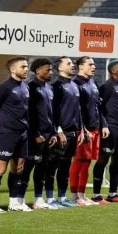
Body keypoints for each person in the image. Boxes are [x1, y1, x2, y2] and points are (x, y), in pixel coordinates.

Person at [0, 56, 31, 213]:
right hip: (7, 133)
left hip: (22, 134)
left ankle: (13, 203)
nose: (27, 69)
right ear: (13, 70)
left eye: (27, 66)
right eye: (23, 67)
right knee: (1, 169)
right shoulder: (4, 87)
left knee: (18, 168)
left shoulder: (25, 88)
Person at [91, 60, 118, 203]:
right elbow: (100, 108)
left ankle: (113, 194)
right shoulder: (107, 86)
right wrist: (104, 125)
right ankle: (96, 195)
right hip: (111, 128)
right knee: (103, 159)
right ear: (114, 71)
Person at [46, 56, 83, 209]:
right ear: (60, 68)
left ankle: (62, 196)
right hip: (61, 132)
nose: (72, 65)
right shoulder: (56, 86)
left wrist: (80, 130)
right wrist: (58, 130)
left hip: (73, 132)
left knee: (65, 166)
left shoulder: (74, 85)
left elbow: (77, 110)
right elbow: (53, 111)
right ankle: (49, 198)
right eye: (68, 63)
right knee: (52, 166)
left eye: (72, 63)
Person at [22, 58, 58, 209]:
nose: (51, 72)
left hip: (49, 135)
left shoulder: (49, 88)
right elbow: (29, 114)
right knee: (28, 167)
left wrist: (54, 133)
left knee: (42, 168)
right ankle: (19, 199)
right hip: (35, 136)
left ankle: (38, 199)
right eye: (47, 69)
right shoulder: (31, 87)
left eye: (51, 69)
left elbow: (53, 113)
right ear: (37, 71)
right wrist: (35, 133)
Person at [70, 56, 106, 205]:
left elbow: (98, 106)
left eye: (94, 64)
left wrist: (103, 124)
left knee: (86, 163)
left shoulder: (93, 82)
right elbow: (76, 109)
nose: (94, 67)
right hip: (83, 130)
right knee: (78, 161)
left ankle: (82, 195)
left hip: (95, 128)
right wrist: (82, 128)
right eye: (90, 64)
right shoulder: (75, 83)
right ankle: (74, 196)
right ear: (81, 67)